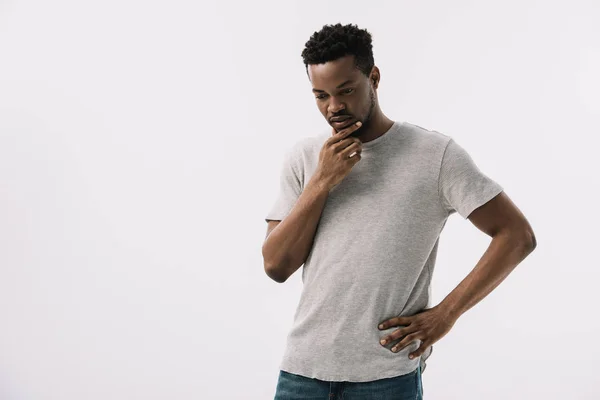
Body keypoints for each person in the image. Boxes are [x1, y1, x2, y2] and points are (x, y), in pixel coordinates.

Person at [262, 23, 536, 400]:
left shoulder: (434, 155)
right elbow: (276, 266)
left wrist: (445, 315)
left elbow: (517, 236)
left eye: (346, 90)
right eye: (321, 95)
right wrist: (321, 182)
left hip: (387, 376)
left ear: (373, 77)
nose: (334, 107)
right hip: (302, 373)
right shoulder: (305, 158)